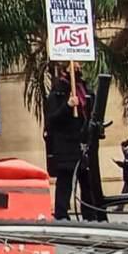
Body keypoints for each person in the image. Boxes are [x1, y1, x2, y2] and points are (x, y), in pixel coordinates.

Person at [45, 62, 100, 221]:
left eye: (79, 63)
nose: (77, 66)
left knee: (87, 181)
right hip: (65, 145)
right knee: (65, 180)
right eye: (73, 64)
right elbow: (52, 120)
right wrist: (68, 106)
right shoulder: (58, 92)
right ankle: (62, 215)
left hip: (82, 142)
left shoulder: (85, 88)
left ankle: (90, 215)